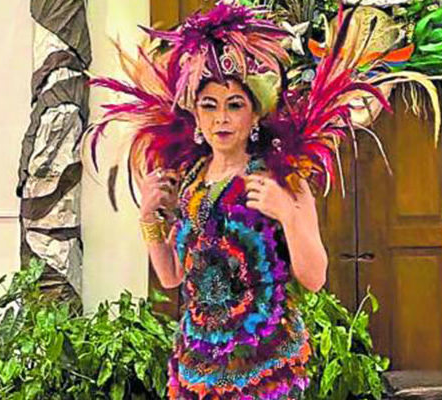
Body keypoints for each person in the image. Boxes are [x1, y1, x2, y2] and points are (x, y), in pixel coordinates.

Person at [84, 2, 392, 398]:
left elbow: (315, 278)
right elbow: (173, 276)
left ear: (255, 115)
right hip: (198, 365)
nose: (221, 119)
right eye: (208, 106)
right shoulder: (190, 180)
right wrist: (148, 218)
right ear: (196, 116)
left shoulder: (282, 178)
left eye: (235, 105)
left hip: (265, 365)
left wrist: (288, 213)